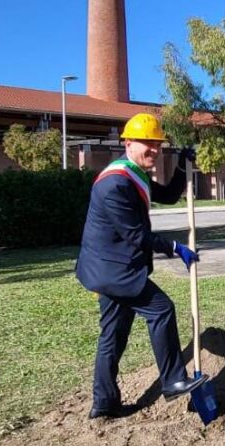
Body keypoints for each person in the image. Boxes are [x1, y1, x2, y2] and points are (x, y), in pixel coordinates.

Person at [75, 113, 207, 419]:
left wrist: (182, 166)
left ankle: (103, 404)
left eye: (157, 144)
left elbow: (170, 196)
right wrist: (176, 248)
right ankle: (173, 380)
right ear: (128, 143)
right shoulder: (115, 183)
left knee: (113, 335)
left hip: (110, 269)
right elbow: (136, 236)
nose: (154, 149)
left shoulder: (135, 174)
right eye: (148, 143)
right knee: (161, 309)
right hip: (114, 271)